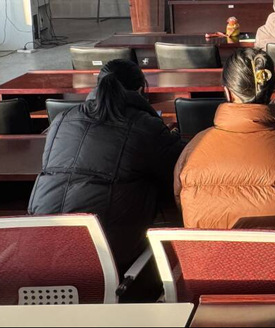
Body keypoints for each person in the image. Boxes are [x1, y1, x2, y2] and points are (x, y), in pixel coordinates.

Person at [28, 59, 183, 273]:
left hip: (40, 247)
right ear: (140, 90)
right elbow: (175, 170)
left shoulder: (62, 119)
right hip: (103, 254)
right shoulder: (144, 125)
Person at [175, 48, 275, 230]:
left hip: (207, 249)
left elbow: (180, 201)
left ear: (228, 92)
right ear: (273, 90)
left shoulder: (194, 146)